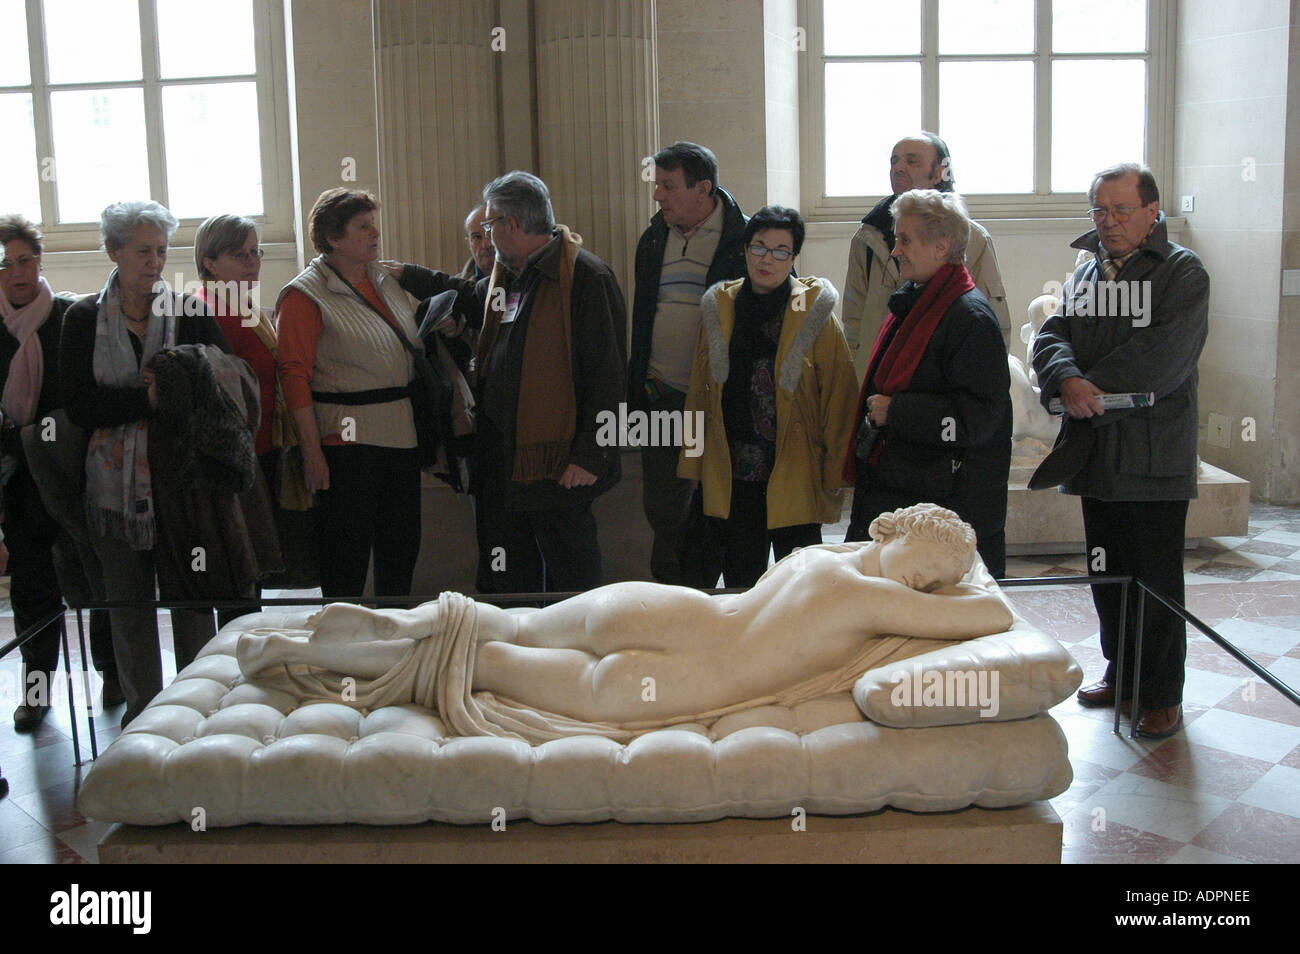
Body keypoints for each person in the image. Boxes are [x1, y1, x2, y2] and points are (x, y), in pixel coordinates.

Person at [237, 504, 1013, 741]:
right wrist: (959, 586)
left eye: (936, 582)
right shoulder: (869, 596)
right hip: (662, 681)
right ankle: (296, 649)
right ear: (905, 533)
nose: (930, 583)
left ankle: (310, 637)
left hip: (656, 610)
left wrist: (932, 558)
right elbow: (995, 608)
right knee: (467, 657)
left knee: (471, 628)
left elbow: (957, 585)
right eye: (932, 565)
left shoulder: (823, 556)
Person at [1032, 162, 1209, 740]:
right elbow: (1053, 333)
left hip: (1152, 453)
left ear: (1153, 212)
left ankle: (1161, 694)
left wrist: (1089, 389)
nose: (1108, 221)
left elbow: (1164, 357)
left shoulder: (1183, 273)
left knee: (1154, 577)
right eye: (1099, 211)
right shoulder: (1086, 272)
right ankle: (1123, 672)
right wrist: (1065, 378)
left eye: (1121, 210)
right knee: (1106, 571)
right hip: (1097, 451)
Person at [59, 200, 245, 726]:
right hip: (111, 488)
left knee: (191, 599)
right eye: (142, 251)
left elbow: (221, 383)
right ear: (113, 251)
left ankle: (199, 709)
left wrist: (172, 385)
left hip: (182, 479)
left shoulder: (188, 311)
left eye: (162, 251)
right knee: (129, 604)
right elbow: (78, 404)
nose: (155, 261)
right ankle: (144, 717)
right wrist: (152, 399)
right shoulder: (82, 318)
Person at [396, 172, 625, 595]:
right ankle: (517, 653)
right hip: (505, 457)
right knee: (509, 573)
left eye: (489, 226)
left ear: (511, 226)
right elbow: (467, 293)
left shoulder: (586, 278)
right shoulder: (511, 276)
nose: (486, 237)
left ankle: (572, 656)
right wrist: (408, 274)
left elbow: (607, 377)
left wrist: (589, 455)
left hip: (559, 463)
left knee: (570, 575)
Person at [678, 206, 858, 589]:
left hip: (794, 467)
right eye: (759, 247)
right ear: (745, 249)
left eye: (781, 251)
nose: (767, 259)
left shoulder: (816, 314)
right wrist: (693, 465)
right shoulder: (719, 309)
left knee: (800, 586)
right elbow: (698, 394)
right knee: (744, 583)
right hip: (734, 472)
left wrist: (834, 474)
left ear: (793, 258)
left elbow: (840, 400)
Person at [844, 190, 1011, 578]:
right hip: (901, 486)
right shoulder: (916, 300)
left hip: (939, 500)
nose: (896, 250)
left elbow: (977, 418)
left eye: (905, 240)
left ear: (942, 246)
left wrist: (896, 411)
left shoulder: (970, 318)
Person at [1, 214, 122, 729]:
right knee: (32, 587)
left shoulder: (72, 315)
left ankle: (115, 674)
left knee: (97, 575)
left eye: (25, 259)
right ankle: (36, 690)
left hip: (75, 470)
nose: (17, 272)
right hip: (17, 474)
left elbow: (86, 392)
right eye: (4, 264)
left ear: (40, 259)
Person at [276, 188, 424, 601]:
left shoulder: (384, 279)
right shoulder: (304, 295)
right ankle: (340, 642)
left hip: (401, 435)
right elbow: (294, 378)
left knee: (400, 548)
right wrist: (312, 453)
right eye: (363, 226)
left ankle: (395, 638)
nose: (375, 233)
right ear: (333, 238)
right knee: (346, 554)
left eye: (373, 223)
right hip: (346, 441)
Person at [628, 142, 749, 585]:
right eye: (657, 184)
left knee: (716, 500)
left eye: (667, 185)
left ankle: (707, 593)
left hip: (717, 398)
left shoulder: (746, 239)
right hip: (661, 392)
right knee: (663, 506)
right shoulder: (653, 237)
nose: (658, 195)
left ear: (703, 188)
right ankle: (671, 594)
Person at [843, 133, 1011, 377]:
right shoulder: (868, 237)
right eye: (894, 161)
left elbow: (994, 325)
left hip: (939, 386)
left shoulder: (972, 238)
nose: (898, 168)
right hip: (877, 378)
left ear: (940, 171)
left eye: (912, 161)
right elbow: (853, 319)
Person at [458, 204, 495, 282]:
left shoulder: (524, 282)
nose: (486, 244)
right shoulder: (457, 288)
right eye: (477, 237)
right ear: (468, 243)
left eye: (490, 234)